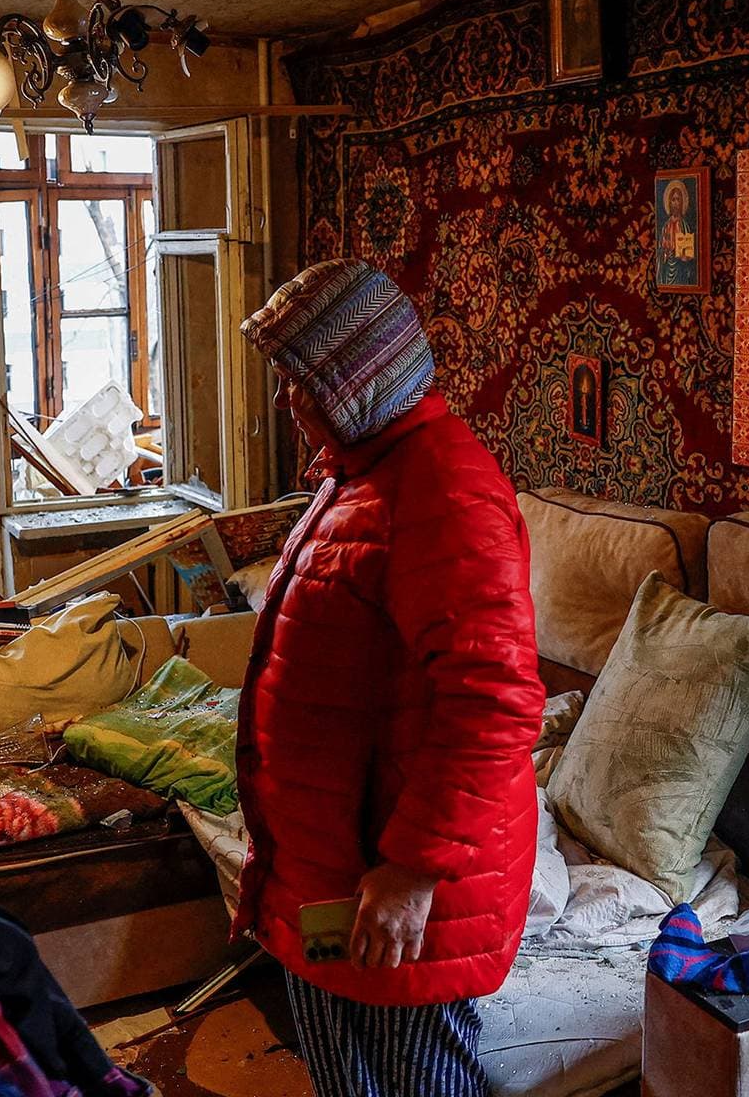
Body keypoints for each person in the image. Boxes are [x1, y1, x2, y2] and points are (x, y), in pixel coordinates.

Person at [234, 258, 545, 1097]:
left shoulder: (443, 491)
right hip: (330, 870)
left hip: (402, 890)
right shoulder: (361, 474)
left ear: (357, 382)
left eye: (302, 383)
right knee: (346, 1076)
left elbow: (494, 705)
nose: (287, 402)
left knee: (415, 1085)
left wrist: (412, 871)